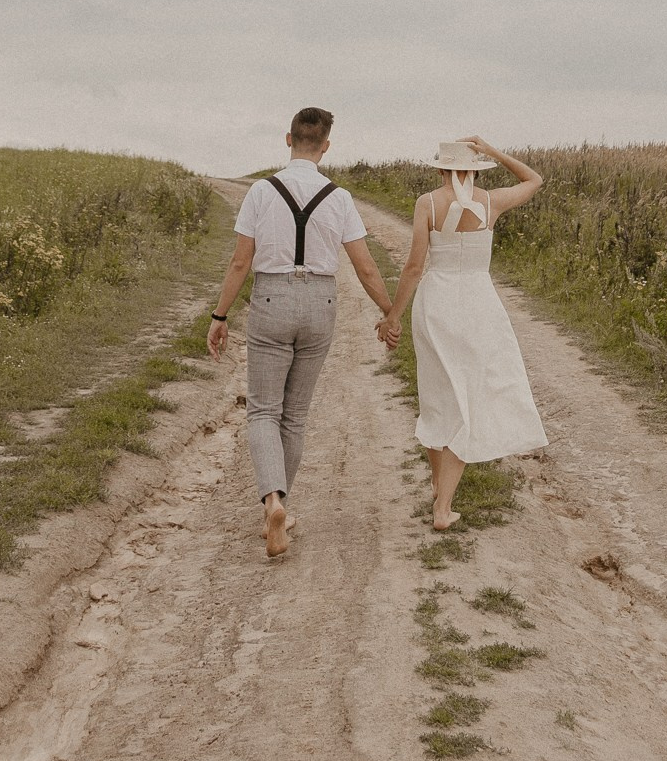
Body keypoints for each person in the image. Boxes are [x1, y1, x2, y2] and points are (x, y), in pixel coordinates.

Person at [206, 107, 395, 559]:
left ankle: (272, 501)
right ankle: (283, 507)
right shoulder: (340, 197)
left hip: (271, 298)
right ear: (326, 145)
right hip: (321, 302)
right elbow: (365, 267)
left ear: (287, 139)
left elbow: (239, 262)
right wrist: (391, 312)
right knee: (294, 415)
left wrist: (220, 316)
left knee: (263, 412)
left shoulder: (260, 191)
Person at [378, 136, 547, 530]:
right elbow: (534, 179)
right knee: (465, 396)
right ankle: (442, 504)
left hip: (435, 302)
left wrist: (393, 317)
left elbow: (414, 267)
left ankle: (441, 492)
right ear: (474, 170)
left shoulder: (428, 203)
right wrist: (493, 151)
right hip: (477, 302)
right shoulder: (491, 202)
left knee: (436, 393)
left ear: (440, 169)